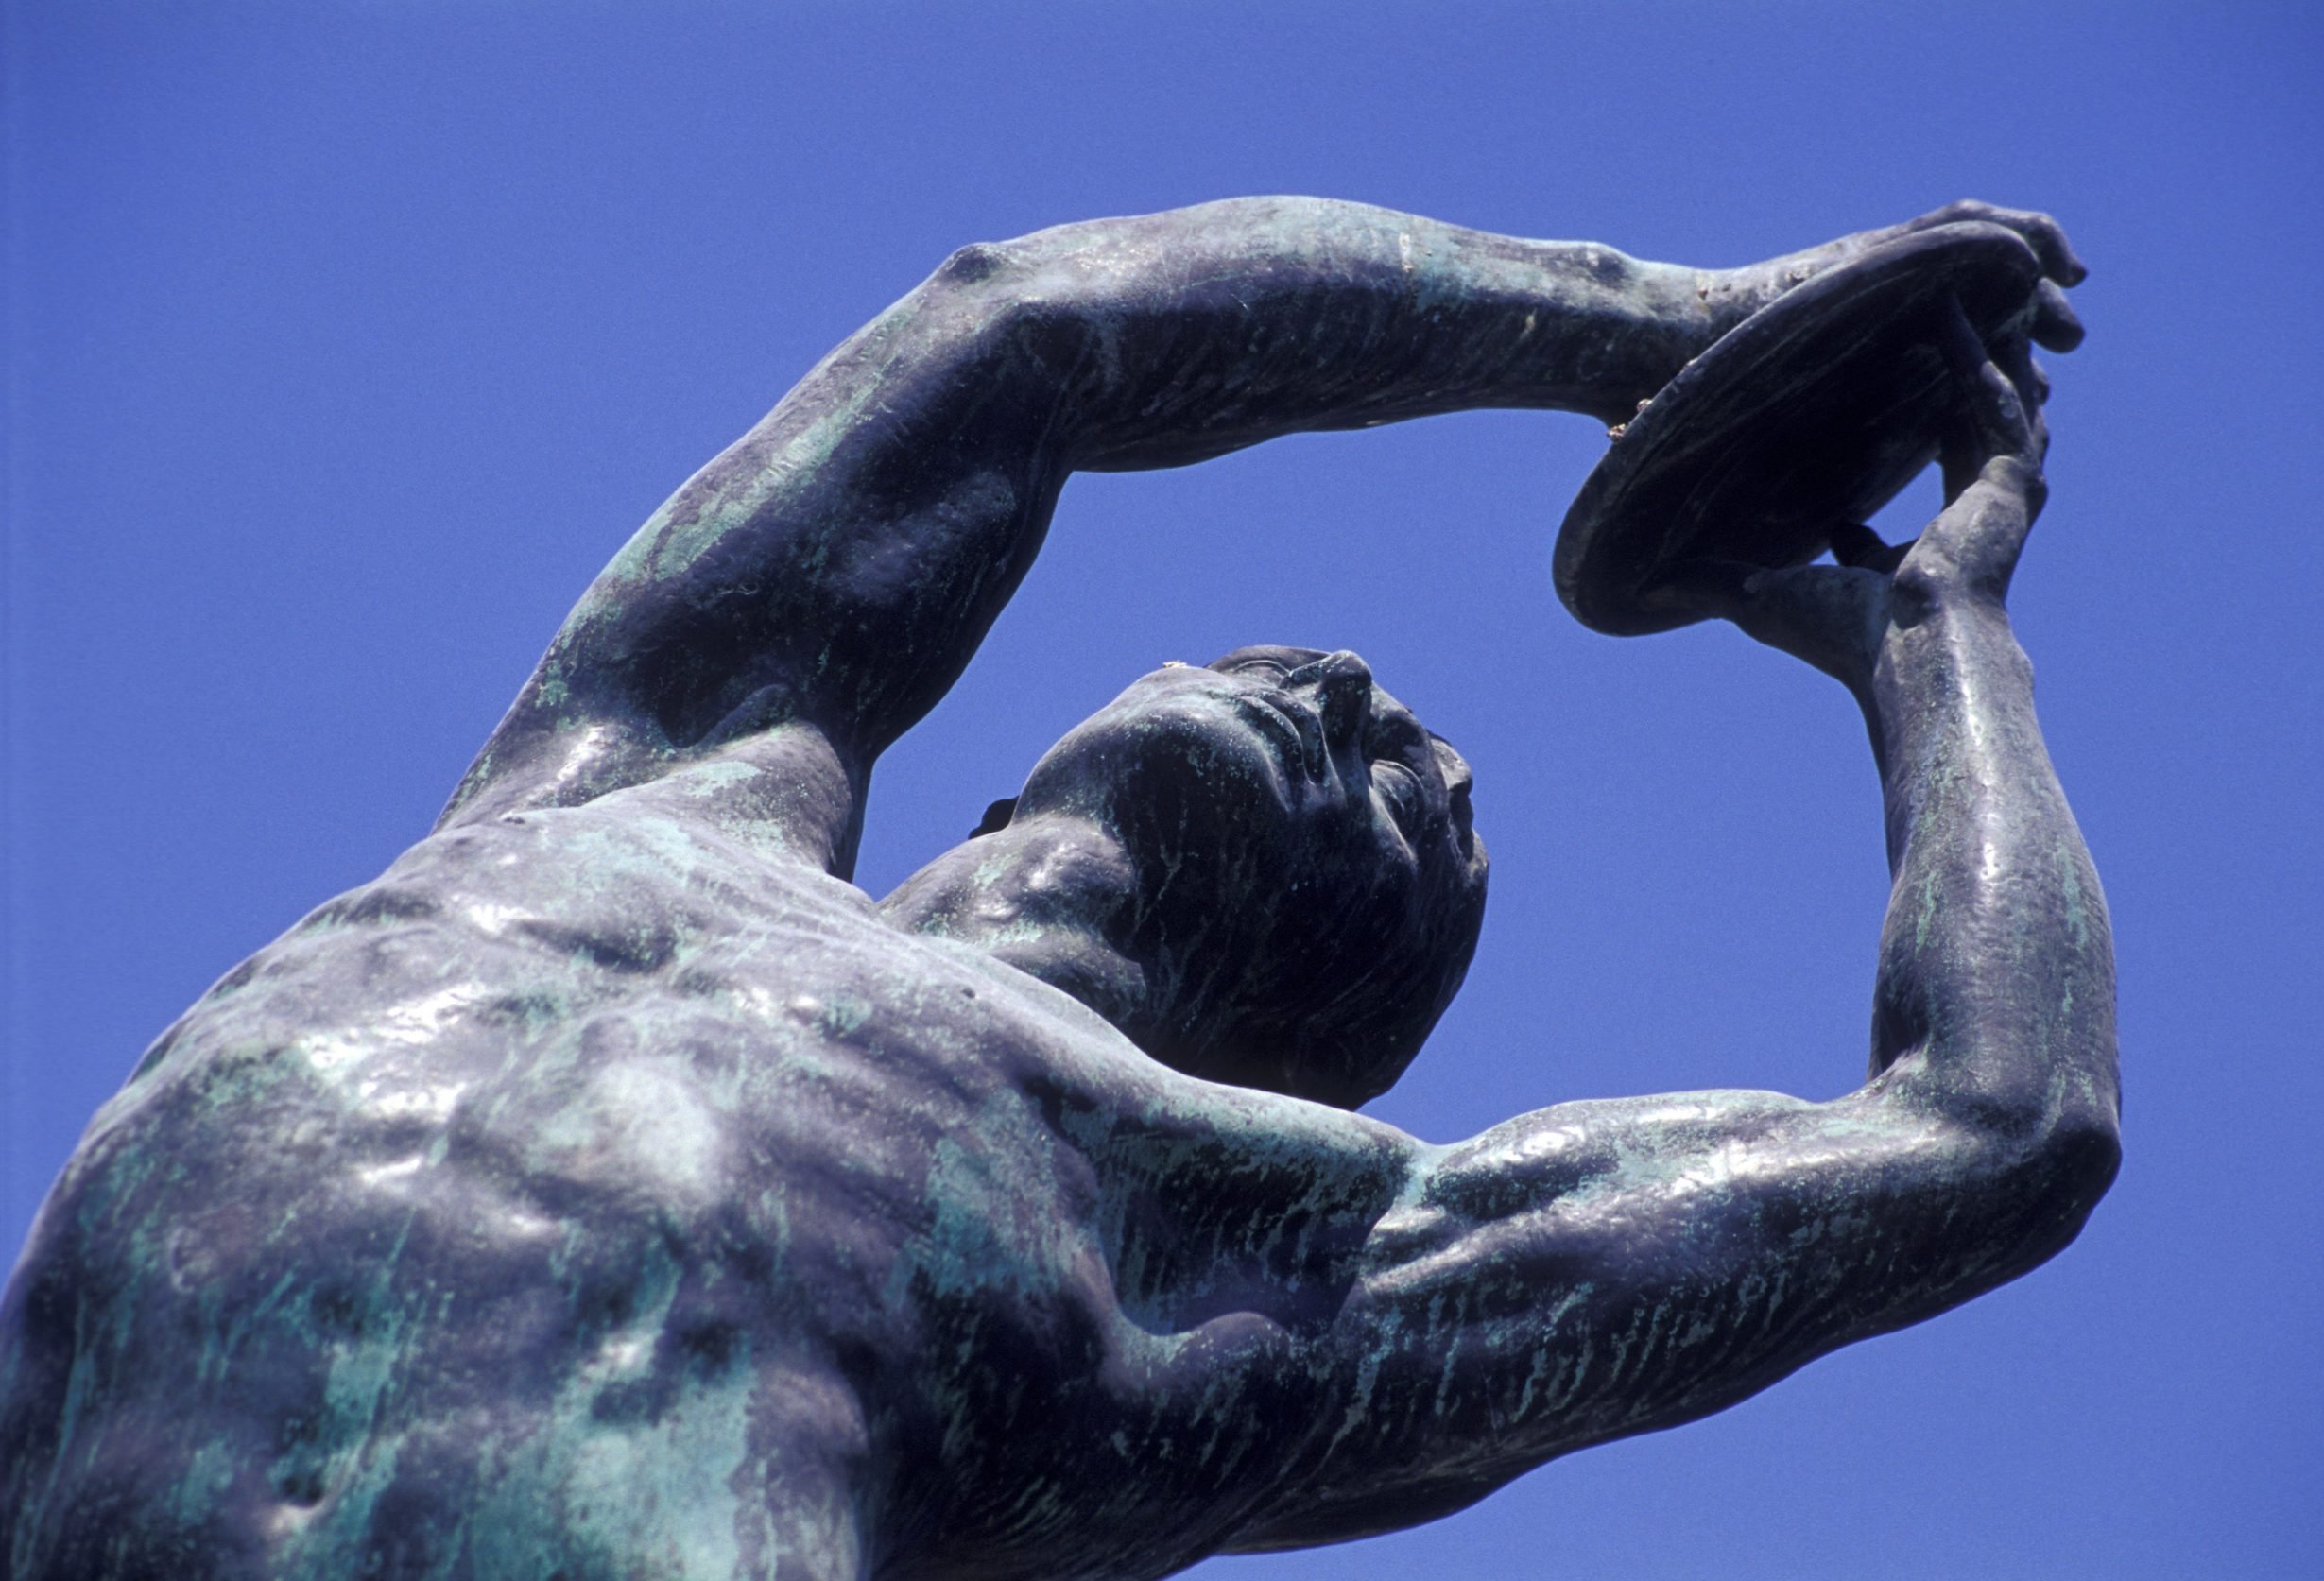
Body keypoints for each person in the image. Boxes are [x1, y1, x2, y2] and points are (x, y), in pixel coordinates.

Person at [0, 198, 2114, 1581]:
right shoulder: (631, 782)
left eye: (1415, 806)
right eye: (1304, 673)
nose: (1359, 695)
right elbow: (1022, 334)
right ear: (1037, 751)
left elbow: (1986, 1129)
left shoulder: (1233, 1262)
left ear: (1314, 1043)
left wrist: (1932, 639)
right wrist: (1649, 329)